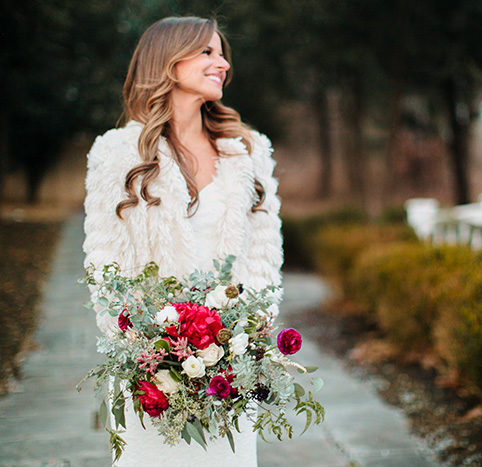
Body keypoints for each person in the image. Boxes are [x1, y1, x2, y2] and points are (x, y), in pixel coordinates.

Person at [82, 16, 282, 467]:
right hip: (151, 372)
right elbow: (104, 261)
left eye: (222, 52)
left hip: (230, 372)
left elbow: (263, 258)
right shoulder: (117, 154)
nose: (223, 63)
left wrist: (242, 343)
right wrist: (149, 352)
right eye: (208, 52)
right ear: (168, 63)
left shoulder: (247, 150)